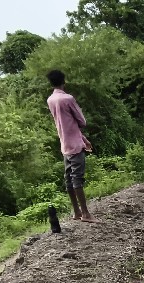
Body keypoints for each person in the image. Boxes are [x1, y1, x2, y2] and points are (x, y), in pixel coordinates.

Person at [46, 69, 95, 223]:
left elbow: (66, 125)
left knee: (69, 179)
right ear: (64, 81)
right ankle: (86, 214)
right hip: (75, 146)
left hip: (65, 145)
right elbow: (82, 121)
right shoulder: (68, 99)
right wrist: (82, 138)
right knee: (77, 179)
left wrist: (84, 139)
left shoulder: (50, 100)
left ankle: (77, 212)